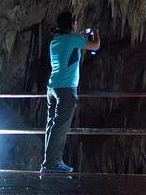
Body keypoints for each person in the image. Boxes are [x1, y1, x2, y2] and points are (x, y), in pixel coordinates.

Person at [40, 11, 100, 173]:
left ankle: (49, 161)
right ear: (71, 24)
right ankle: (52, 163)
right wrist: (95, 33)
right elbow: (95, 45)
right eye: (75, 22)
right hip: (66, 89)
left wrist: (79, 37)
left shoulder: (56, 40)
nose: (77, 24)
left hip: (52, 88)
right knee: (60, 126)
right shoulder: (73, 39)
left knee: (51, 125)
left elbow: (72, 49)